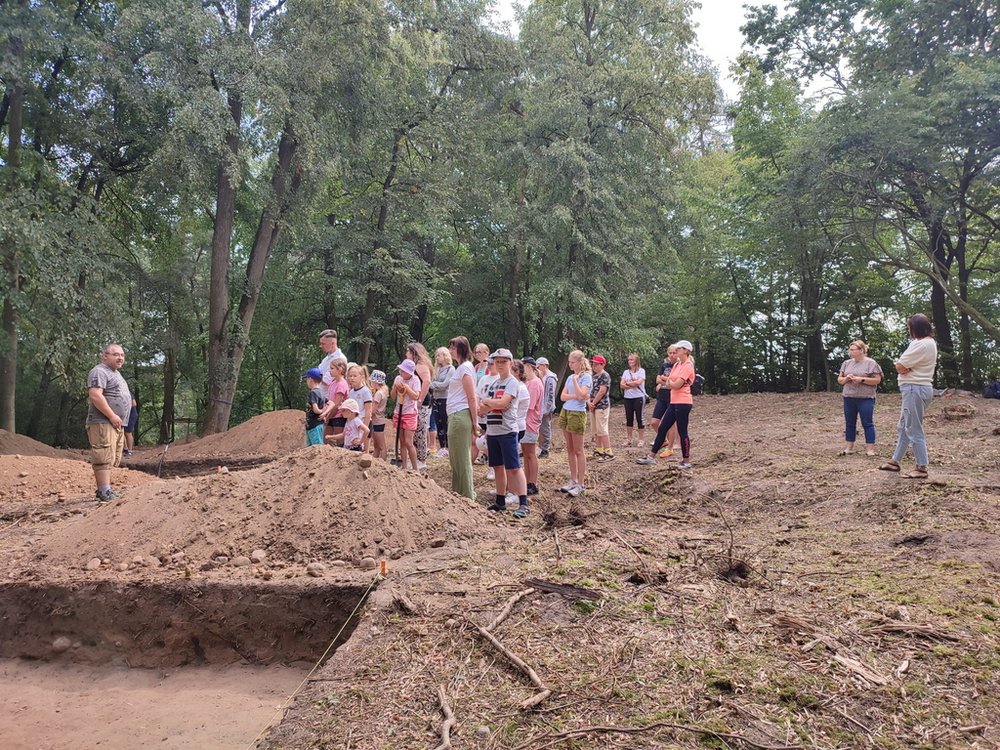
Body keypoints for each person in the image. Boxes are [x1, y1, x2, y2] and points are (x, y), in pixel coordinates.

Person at [880, 314, 937, 479]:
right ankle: (895, 461)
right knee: (904, 425)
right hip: (918, 388)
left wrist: (903, 367)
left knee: (913, 427)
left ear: (915, 328)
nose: (908, 330)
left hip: (914, 389)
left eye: (909, 327)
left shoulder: (922, 344)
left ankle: (921, 467)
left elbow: (900, 366)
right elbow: (904, 366)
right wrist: (905, 368)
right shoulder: (928, 343)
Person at [479, 348, 529, 518]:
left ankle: (524, 502)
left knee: (514, 467)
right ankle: (500, 501)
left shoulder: (512, 382)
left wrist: (489, 402)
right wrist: (492, 404)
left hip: (507, 431)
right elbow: (482, 409)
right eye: (496, 362)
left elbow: (503, 403)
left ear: (510, 362)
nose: (499, 365)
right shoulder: (494, 383)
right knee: (497, 467)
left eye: (503, 361)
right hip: (492, 431)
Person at [637, 340, 695, 469]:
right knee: (663, 428)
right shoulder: (676, 365)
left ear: (685, 351)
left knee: (682, 430)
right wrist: (670, 382)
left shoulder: (688, 366)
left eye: (679, 349)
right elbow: (670, 381)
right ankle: (651, 457)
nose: (676, 352)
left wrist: (668, 382)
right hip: (674, 402)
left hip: (683, 402)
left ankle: (686, 461)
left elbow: (675, 384)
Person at [86, 344, 132, 502]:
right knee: (103, 455)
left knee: (110, 456)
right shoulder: (99, 371)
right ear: (104, 356)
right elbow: (95, 395)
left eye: (122, 355)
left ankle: (105, 489)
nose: (120, 358)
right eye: (116, 354)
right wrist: (112, 415)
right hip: (102, 422)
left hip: (113, 423)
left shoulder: (115, 373)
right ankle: (104, 491)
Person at [837, 340, 884, 457]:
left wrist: (862, 379)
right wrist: (847, 378)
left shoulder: (871, 363)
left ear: (861, 350)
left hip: (866, 398)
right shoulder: (846, 363)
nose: (851, 352)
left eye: (853, 349)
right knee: (849, 423)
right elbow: (840, 380)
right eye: (850, 349)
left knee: (867, 423)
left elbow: (877, 380)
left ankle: (870, 449)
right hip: (849, 397)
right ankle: (849, 447)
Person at [446, 336, 478, 500]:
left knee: (462, 459)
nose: (450, 350)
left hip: (460, 415)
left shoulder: (465, 368)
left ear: (461, 349)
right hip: (455, 415)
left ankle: (467, 495)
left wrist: (475, 421)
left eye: (453, 347)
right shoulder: (461, 368)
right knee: (456, 458)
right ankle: (458, 494)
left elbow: (471, 397)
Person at [558, 350, 592, 497]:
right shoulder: (571, 376)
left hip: (577, 413)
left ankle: (581, 483)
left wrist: (574, 383)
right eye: (569, 362)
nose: (570, 364)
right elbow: (562, 397)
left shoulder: (586, 377)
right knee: (570, 449)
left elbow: (583, 395)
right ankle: (573, 479)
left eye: (572, 362)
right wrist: (575, 395)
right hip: (566, 412)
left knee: (579, 450)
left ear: (579, 362)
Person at [406, 342, 434, 470]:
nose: (406, 354)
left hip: (422, 402)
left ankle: (422, 459)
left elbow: (427, 381)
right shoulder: (415, 366)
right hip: (417, 401)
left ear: (413, 353)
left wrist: (420, 399)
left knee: (421, 429)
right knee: (416, 429)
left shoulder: (421, 365)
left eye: (408, 352)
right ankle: (417, 457)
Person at [391, 359, 422, 470]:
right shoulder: (398, 379)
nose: (401, 373)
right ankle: (404, 467)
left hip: (410, 413)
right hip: (399, 412)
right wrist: (395, 387)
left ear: (410, 372)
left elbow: (416, 396)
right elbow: (393, 396)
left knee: (409, 442)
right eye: (400, 370)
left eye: (403, 371)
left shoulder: (415, 380)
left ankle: (415, 468)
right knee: (402, 441)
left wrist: (407, 388)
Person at [651, 345, 680, 458]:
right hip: (661, 396)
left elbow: (676, 381)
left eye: (674, 353)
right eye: (670, 353)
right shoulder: (664, 365)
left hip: (672, 397)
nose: (672, 355)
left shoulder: (679, 366)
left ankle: (670, 448)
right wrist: (665, 381)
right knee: (654, 422)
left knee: (670, 423)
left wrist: (664, 379)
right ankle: (664, 439)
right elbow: (657, 379)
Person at [521, 357, 543, 495]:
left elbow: (530, 404)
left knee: (530, 453)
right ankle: (528, 481)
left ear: (528, 367)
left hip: (530, 423)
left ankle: (532, 482)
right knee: (526, 454)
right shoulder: (529, 382)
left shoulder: (535, 383)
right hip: (525, 422)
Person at [475, 356, 499, 476]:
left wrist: (487, 408)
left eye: (491, 363)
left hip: (493, 415)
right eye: (487, 363)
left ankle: (493, 467)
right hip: (482, 415)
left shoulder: (500, 379)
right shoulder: (484, 379)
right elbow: (478, 394)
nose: (489, 365)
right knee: (481, 442)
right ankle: (491, 462)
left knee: (491, 442)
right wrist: (479, 408)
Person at [588, 354, 613, 462]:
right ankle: (599, 450)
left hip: (602, 406)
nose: (594, 366)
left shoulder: (605, 375)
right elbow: (590, 391)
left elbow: (602, 391)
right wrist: (589, 402)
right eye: (593, 364)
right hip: (593, 406)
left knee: (602, 429)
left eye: (596, 364)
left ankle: (608, 452)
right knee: (596, 430)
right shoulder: (594, 377)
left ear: (602, 365)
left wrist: (593, 402)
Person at [430, 346, 454, 458]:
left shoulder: (451, 369)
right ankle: (442, 446)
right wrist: (435, 385)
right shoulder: (437, 370)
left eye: (439, 355)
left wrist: (434, 385)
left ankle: (449, 447)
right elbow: (433, 382)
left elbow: (445, 384)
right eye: (436, 355)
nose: (437, 358)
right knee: (438, 422)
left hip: (445, 399)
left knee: (446, 422)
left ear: (445, 356)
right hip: (436, 398)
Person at [620, 353, 647, 448]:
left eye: (631, 360)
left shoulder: (641, 371)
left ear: (636, 361)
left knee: (640, 418)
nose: (630, 362)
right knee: (629, 418)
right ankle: (629, 438)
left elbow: (638, 382)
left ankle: (641, 439)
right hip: (628, 398)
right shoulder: (626, 372)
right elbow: (621, 385)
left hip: (638, 397)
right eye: (629, 360)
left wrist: (628, 383)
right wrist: (631, 384)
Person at [320, 357, 349, 440]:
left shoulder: (341, 384)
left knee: (339, 441)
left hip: (339, 416)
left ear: (340, 369)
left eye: (332, 368)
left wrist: (327, 416)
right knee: (326, 439)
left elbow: (336, 404)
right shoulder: (333, 383)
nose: (330, 371)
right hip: (331, 415)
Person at [537, 357, 558, 458]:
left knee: (545, 428)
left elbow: (550, 395)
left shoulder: (550, 378)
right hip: (540, 407)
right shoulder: (542, 377)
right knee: (539, 428)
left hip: (546, 409)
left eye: (538, 366)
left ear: (544, 365)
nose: (537, 368)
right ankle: (540, 447)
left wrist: (546, 409)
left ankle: (545, 449)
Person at [303, 367, 328, 446]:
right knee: (311, 447)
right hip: (316, 424)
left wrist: (322, 412)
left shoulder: (313, 393)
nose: (306, 382)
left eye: (306, 379)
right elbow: (331, 403)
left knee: (317, 446)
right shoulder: (321, 392)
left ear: (310, 379)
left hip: (314, 424)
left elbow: (316, 409)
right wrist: (325, 411)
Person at [347, 364, 374, 431]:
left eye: (355, 376)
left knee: (363, 441)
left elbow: (368, 411)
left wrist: (364, 428)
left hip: (363, 423)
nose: (352, 378)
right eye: (350, 376)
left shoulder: (365, 391)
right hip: (353, 424)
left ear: (362, 377)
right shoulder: (351, 392)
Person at [369, 370, 389, 459]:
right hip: (378, 420)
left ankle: (383, 463)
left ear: (376, 381)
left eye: (371, 381)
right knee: (376, 446)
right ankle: (375, 462)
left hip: (377, 421)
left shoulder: (378, 394)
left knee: (381, 446)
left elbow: (373, 410)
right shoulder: (382, 392)